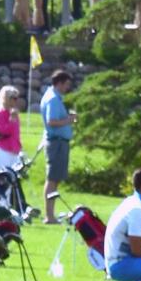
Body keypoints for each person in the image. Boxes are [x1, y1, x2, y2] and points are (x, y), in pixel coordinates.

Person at [41, 70, 77, 224]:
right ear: (59, 83)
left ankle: (51, 214)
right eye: (66, 84)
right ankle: (49, 216)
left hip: (59, 142)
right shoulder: (53, 99)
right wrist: (69, 120)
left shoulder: (54, 97)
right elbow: (52, 121)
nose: (67, 88)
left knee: (55, 179)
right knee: (52, 178)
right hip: (56, 143)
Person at [0, 85, 22, 170]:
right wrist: (12, 120)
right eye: (14, 98)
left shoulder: (13, 113)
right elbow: (2, 132)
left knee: (14, 181)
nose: (16, 100)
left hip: (14, 150)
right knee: (2, 179)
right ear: (6, 98)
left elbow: (16, 133)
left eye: (17, 98)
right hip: (2, 151)